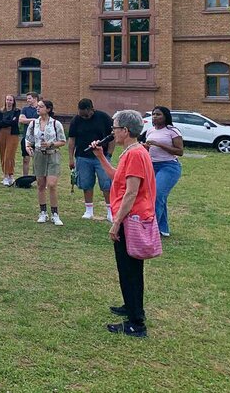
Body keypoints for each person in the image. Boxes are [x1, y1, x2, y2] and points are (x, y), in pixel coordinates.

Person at [90, 110, 155, 338]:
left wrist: (116, 222)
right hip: (130, 217)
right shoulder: (132, 152)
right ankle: (131, 306)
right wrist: (100, 156)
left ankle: (136, 323)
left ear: (125, 131)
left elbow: (131, 192)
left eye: (115, 128)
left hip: (131, 219)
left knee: (130, 271)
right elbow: (118, 178)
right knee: (129, 269)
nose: (112, 132)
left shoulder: (135, 154)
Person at [68, 98, 114, 221]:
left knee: (106, 183)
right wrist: (71, 158)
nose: (83, 117)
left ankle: (110, 211)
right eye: (81, 115)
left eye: (85, 115)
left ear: (91, 109)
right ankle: (89, 210)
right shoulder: (76, 120)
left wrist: (109, 154)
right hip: (83, 157)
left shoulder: (103, 118)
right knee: (86, 183)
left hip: (101, 157)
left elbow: (112, 136)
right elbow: (72, 140)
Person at [25, 100, 67, 226]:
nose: (38, 108)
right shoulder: (33, 123)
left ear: (48, 109)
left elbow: (62, 141)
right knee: (41, 184)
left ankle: (55, 214)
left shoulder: (55, 123)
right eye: (37, 107)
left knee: (52, 184)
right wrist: (28, 147)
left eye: (41, 106)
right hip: (39, 155)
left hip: (53, 155)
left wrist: (51, 144)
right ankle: (43, 212)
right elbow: (28, 139)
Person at [144, 106, 183, 237]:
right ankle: (163, 229)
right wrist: (146, 147)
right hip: (152, 166)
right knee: (159, 197)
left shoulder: (172, 131)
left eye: (158, 114)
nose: (155, 116)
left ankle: (150, 228)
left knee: (158, 195)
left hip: (169, 166)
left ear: (165, 117)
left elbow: (180, 151)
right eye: (153, 114)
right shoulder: (150, 130)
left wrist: (159, 144)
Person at [0, 94, 21, 186]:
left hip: (13, 134)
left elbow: (15, 123)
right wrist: (9, 121)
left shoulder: (17, 111)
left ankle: (10, 174)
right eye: (7, 100)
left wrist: (6, 122)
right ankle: (6, 175)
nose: (9, 102)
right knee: (3, 154)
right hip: (2, 133)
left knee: (9, 155)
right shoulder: (1, 111)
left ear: (13, 101)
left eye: (10, 100)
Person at [18, 92, 40, 176]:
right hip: (27, 137)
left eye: (29, 98)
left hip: (38, 138)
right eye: (27, 98)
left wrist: (27, 120)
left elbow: (41, 121)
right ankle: (25, 178)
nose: (27, 100)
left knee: (37, 160)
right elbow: (21, 120)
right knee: (26, 159)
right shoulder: (25, 109)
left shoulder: (40, 109)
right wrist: (34, 120)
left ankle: (37, 178)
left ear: (35, 98)